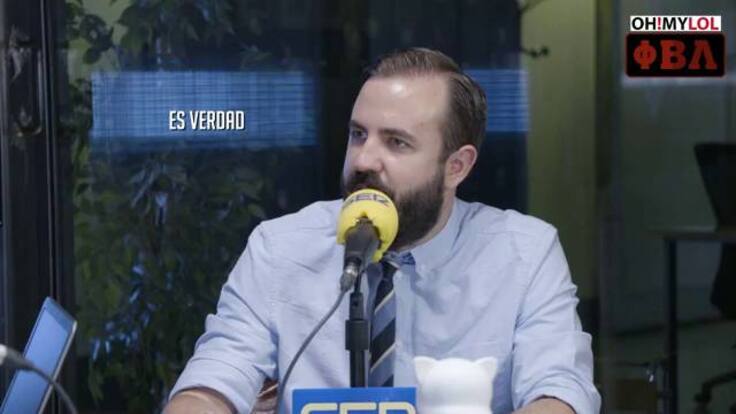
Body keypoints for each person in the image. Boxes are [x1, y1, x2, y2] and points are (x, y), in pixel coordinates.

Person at [164, 48, 601, 414]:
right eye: (358, 134)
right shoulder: (279, 248)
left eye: (396, 142)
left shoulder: (524, 252)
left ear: (456, 166)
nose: (363, 160)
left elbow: (558, 390)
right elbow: (213, 380)